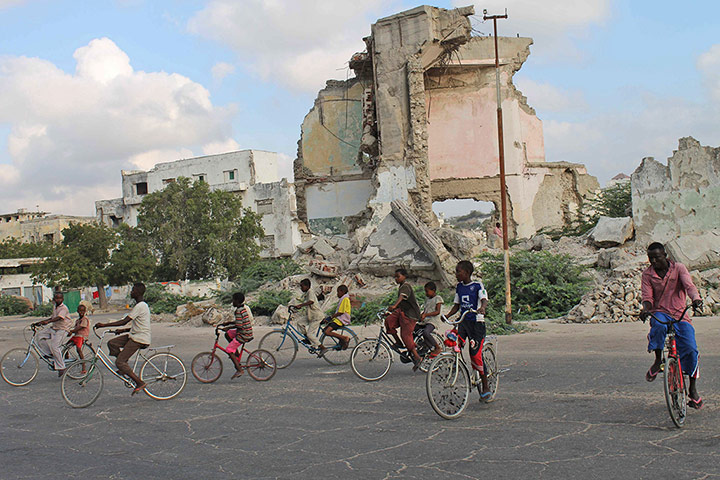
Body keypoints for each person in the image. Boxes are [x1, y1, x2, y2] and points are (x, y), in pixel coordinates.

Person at [640, 242, 704, 409]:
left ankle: (693, 390)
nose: (653, 261)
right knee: (658, 326)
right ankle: (657, 360)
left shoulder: (679, 268)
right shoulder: (647, 275)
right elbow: (647, 297)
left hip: (680, 314)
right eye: (650, 258)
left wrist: (696, 299)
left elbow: (689, 286)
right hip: (660, 312)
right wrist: (646, 309)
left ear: (665, 256)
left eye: (657, 257)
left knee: (690, 348)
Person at [445, 260, 490, 399]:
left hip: (476, 323)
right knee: (453, 341)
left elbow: (484, 299)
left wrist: (482, 308)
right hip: (463, 322)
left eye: (459, 271)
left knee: (475, 355)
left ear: (467, 273)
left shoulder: (477, 285)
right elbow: (456, 306)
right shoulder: (459, 287)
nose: (456, 274)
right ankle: (456, 364)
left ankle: (485, 383)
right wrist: (447, 315)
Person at [95, 283, 151, 395]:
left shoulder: (141, 306)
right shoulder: (139, 306)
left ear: (138, 292)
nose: (131, 292)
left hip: (139, 339)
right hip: (134, 335)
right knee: (112, 343)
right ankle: (124, 367)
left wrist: (104, 325)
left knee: (119, 362)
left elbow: (124, 321)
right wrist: (123, 331)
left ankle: (139, 382)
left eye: (133, 290)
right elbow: (138, 324)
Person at [385, 268, 422, 370]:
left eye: (398, 276)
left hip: (411, 314)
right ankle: (398, 342)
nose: (396, 278)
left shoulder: (406, 286)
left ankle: (417, 356)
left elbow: (402, 297)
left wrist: (394, 305)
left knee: (405, 335)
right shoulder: (401, 286)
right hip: (402, 311)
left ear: (404, 276)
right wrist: (390, 311)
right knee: (389, 321)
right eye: (395, 277)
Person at [34, 292, 73, 376]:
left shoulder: (64, 308)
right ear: (54, 299)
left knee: (55, 346)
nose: (58, 300)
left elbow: (59, 318)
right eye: (56, 298)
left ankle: (61, 367)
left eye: (60, 298)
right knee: (40, 335)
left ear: (62, 299)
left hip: (63, 329)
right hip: (54, 328)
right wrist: (41, 322)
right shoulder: (55, 307)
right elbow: (53, 318)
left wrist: (48, 321)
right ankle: (49, 354)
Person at [218, 292, 254, 379]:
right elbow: (239, 322)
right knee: (228, 334)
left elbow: (239, 326)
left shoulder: (238, 311)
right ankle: (236, 355)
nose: (232, 302)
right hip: (245, 331)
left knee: (229, 350)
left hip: (244, 334)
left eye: (233, 300)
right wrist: (228, 323)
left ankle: (239, 369)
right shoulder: (242, 308)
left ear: (237, 301)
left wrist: (228, 327)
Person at [290, 279, 325, 356]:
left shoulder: (310, 292)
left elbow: (311, 301)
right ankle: (308, 339)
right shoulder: (307, 293)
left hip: (316, 316)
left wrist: (301, 305)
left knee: (310, 334)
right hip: (311, 315)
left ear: (307, 286)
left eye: (302, 286)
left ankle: (322, 347)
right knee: (300, 323)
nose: (301, 288)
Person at [417, 281, 443, 358]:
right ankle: (424, 344)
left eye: (427, 291)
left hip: (433, 321)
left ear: (433, 290)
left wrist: (426, 315)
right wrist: (422, 315)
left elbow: (437, 312)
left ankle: (437, 347)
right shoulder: (427, 299)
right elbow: (425, 310)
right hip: (426, 320)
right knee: (414, 329)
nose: (426, 293)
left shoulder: (438, 298)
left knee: (426, 332)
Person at [322, 285, 351, 350]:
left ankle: (344, 338)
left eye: (338, 292)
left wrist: (331, 317)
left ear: (342, 291)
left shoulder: (345, 299)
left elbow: (341, 312)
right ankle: (341, 340)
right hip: (338, 319)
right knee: (324, 330)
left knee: (327, 332)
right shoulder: (344, 298)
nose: (337, 294)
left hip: (341, 320)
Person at [66, 304, 91, 373]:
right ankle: (66, 360)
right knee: (66, 346)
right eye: (80, 311)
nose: (81, 312)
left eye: (82, 311)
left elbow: (80, 327)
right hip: (76, 336)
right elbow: (76, 328)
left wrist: (72, 331)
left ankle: (83, 366)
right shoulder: (77, 320)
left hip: (82, 336)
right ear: (77, 311)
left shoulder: (85, 319)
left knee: (78, 349)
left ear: (85, 311)